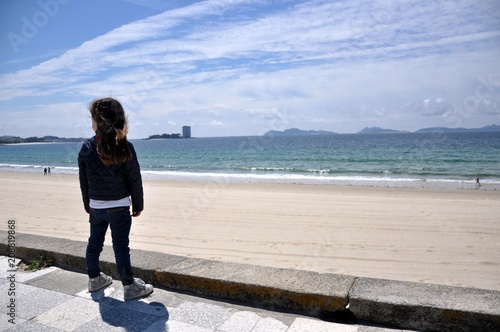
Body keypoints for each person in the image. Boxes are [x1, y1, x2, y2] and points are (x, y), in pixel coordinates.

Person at [78, 97, 153, 301]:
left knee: (94, 243)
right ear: (120, 120)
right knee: (120, 246)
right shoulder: (125, 146)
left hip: (96, 207)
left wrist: (88, 204)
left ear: (97, 122)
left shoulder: (86, 147)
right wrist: (138, 205)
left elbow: (83, 180)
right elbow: (134, 179)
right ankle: (129, 286)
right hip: (119, 207)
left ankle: (94, 278)